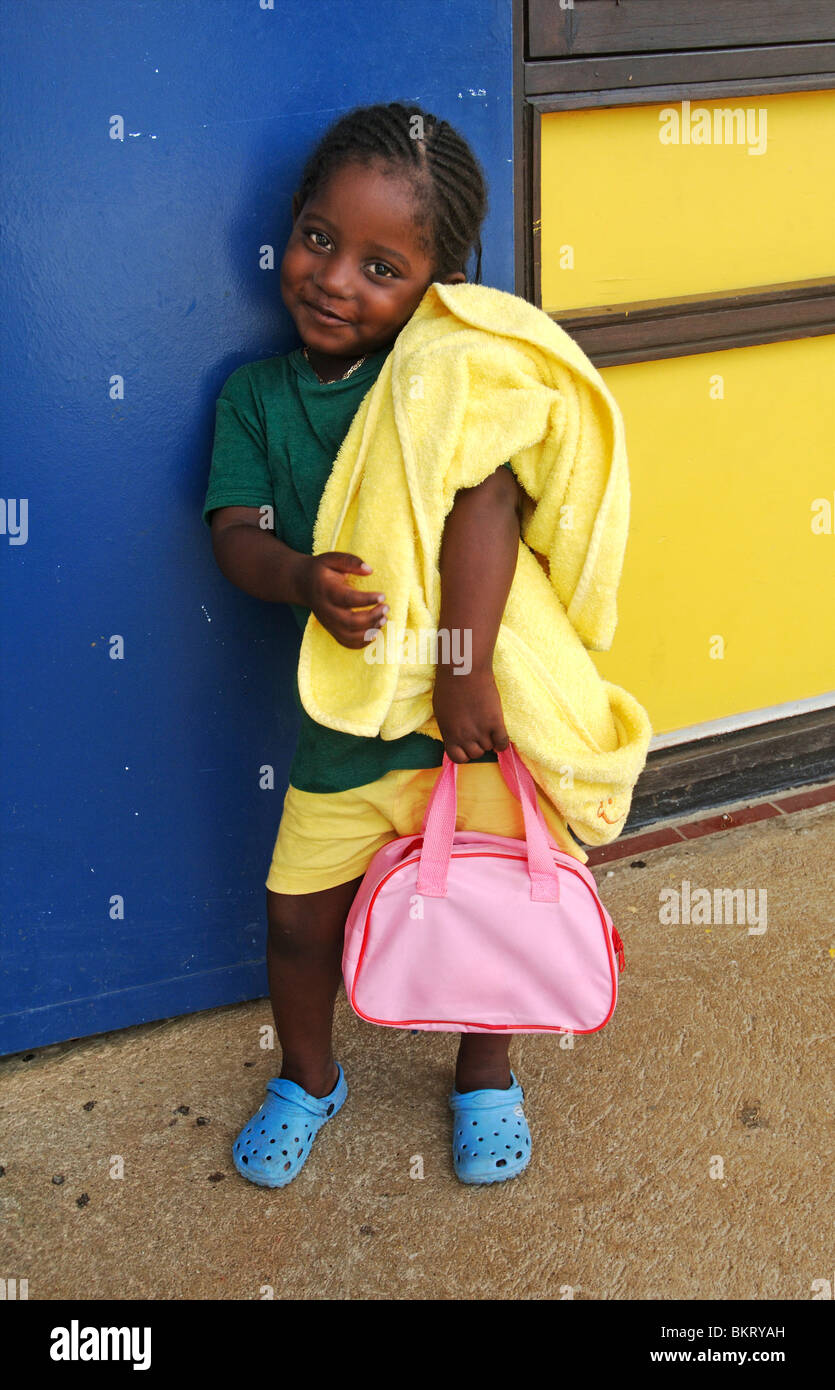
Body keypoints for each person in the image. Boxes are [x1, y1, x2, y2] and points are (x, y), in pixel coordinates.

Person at [202, 101, 584, 1188]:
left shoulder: (438, 382)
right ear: (293, 223)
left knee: (492, 916)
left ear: (435, 283)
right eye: (321, 239)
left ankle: (484, 1074)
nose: (335, 278)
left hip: (462, 727)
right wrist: (297, 578)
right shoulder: (258, 399)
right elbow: (234, 534)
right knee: (294, 921)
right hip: (342, 729)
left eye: (381, 265)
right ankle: (309, 1076)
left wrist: (464, 675)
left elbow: (492, 502)